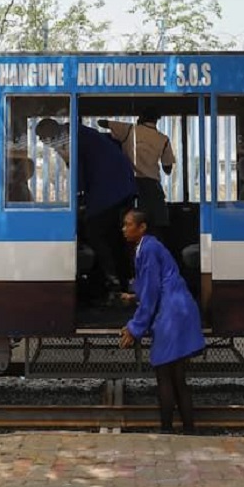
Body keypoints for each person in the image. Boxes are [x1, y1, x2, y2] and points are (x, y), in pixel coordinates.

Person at [118, 208, 205, 434]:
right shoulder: (149, 246)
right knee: (178, 378)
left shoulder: (147, 249)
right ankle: (189, 430)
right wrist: (135, 296)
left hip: (171, 314)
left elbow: (152, 291)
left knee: (164, 375)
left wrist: (134, 328)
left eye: (128, 224)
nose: (124, 229)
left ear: (142, 227)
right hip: (181, 309)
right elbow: (154, 285)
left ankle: (167, 430)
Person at [36, 118, 137, 296]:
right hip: (122, 187)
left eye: (42, 138)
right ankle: (122, 281)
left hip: (109, 189)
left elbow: (78, 171)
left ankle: (111, 281)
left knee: (94, 232)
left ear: (50, 134)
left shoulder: (69, 139)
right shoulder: (79, 132)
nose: (42, 142)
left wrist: (79, 199)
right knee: (114, 236)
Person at [98, 108, 176, 233]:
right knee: (155, 223)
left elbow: (101, 122)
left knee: (129, 224)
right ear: (156, 120)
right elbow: (167, 169)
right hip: (152, 187)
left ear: (141, 118)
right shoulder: (163, 139)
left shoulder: (129, 130)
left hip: (130, 184)